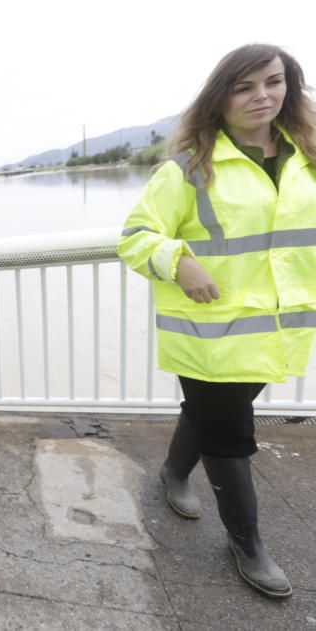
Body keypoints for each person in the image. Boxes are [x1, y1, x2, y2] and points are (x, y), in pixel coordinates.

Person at [118, 44, 316, 599]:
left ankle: (174, 471)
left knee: (210, 412)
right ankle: (248, 544)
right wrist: (179, 262)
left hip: (276, 327)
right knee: (230, 432)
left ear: (290, 87)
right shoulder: (188, 168)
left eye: (273, 83)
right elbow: (135, 237)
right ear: (220, 97)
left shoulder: (307, 157)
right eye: (244, 87)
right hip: (208, 332)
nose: (262, 97)